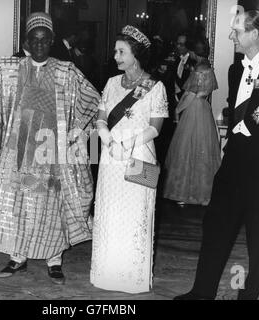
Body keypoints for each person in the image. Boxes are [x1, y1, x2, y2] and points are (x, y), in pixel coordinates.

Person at [174, 10, 259, 300]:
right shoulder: (235, 71)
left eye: (237, 31)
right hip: (233, 166)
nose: (231, 36)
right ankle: (201, 292)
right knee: (215, 227)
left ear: (254, 34)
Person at [0, 12, 100, 285]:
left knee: (51, 205)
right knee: (20, 203)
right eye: (34, 39)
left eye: (45, 39)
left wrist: (74, 135)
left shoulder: (67, 71)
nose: (40, 44)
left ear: (52, 40)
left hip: (51, 150)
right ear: (27, 42)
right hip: (19, 148)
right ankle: (17, 257)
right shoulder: (11, 70)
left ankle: (54, 260)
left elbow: (92, 101)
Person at [90, 25, 169, 294]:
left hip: (140, 157)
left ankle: (132, 276)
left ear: (135, 54)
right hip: (111, 157)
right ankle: (107, 273)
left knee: (136, 214)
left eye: (121, 51)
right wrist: (104, 135)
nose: (115, 56)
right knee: (110, 213)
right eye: (115, 51)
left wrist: (129, 142)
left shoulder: (155, 86)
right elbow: (101, 116)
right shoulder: (112, 83)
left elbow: (156, 127)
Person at [162, 41, 221, 206]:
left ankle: (183, 193)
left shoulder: (197, 70)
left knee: (186, 148)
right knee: (202, 148)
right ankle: (203, 194)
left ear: (195, 53)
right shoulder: (208, 66)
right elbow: (205, 92)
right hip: (204, 109)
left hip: (194, 108)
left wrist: (177, 109)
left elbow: (190, 95)